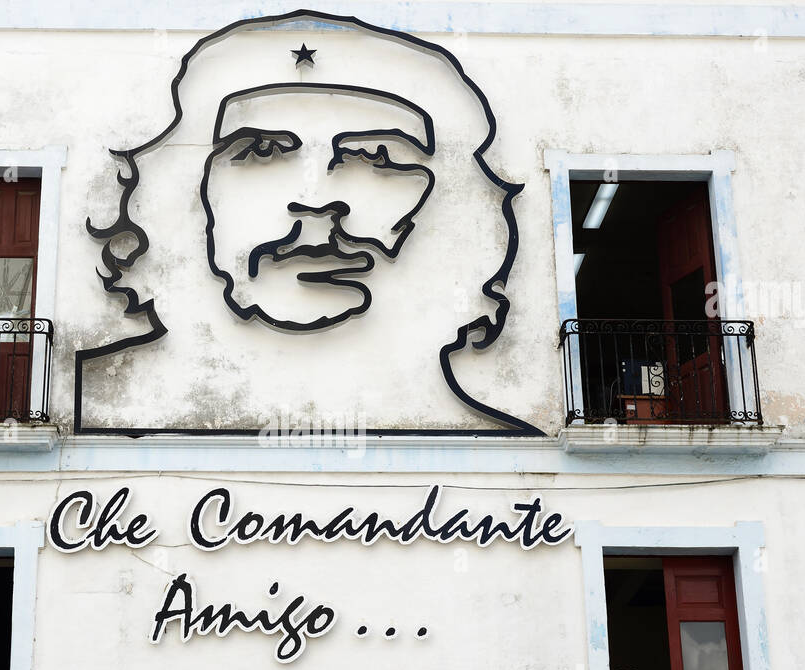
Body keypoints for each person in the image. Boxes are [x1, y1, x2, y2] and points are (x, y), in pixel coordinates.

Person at [80, 11, 544, 435]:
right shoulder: (100, 407)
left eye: (375, 157)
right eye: (263, 150)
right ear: (166, 191)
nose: (318, 201)